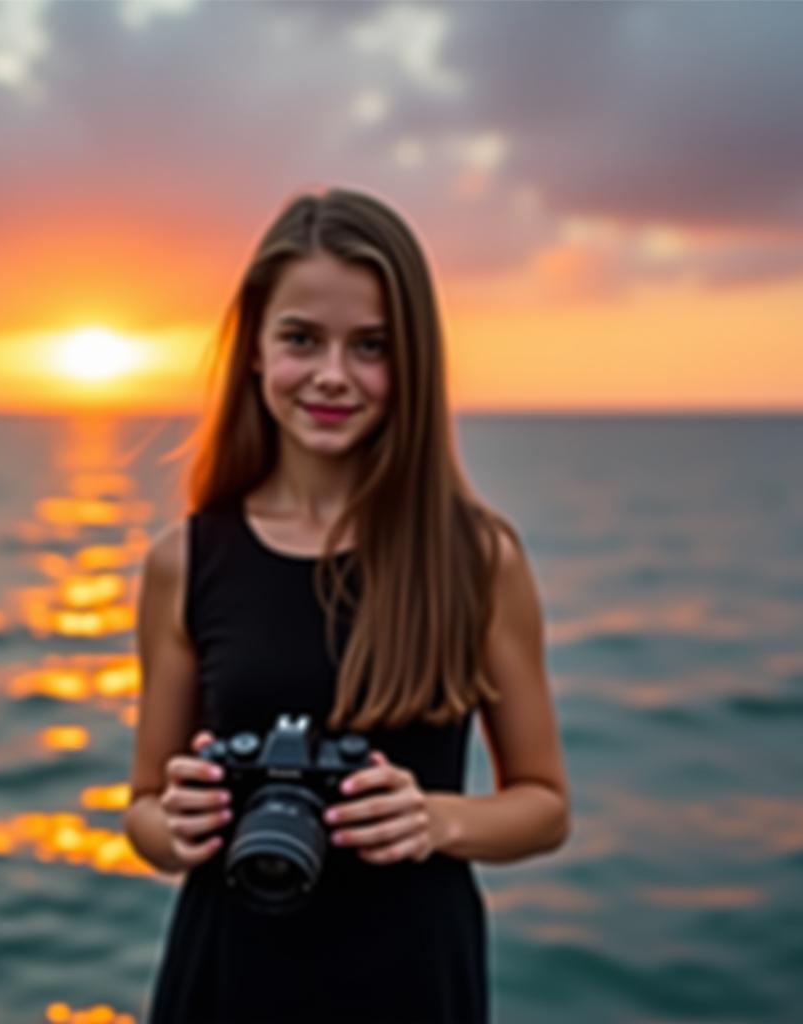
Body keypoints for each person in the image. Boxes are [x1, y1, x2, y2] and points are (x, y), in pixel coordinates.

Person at [123, 187, 571, 1024]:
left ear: (414, 367)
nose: (333, 376)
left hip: (410, 980)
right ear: (254, 350)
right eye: (301, 339)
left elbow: (544, 806)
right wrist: (173, 824)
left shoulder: (476, 560)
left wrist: (434, 820)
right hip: (227, 978)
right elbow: (144, 811)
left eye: (372, 347)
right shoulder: (186, 561)